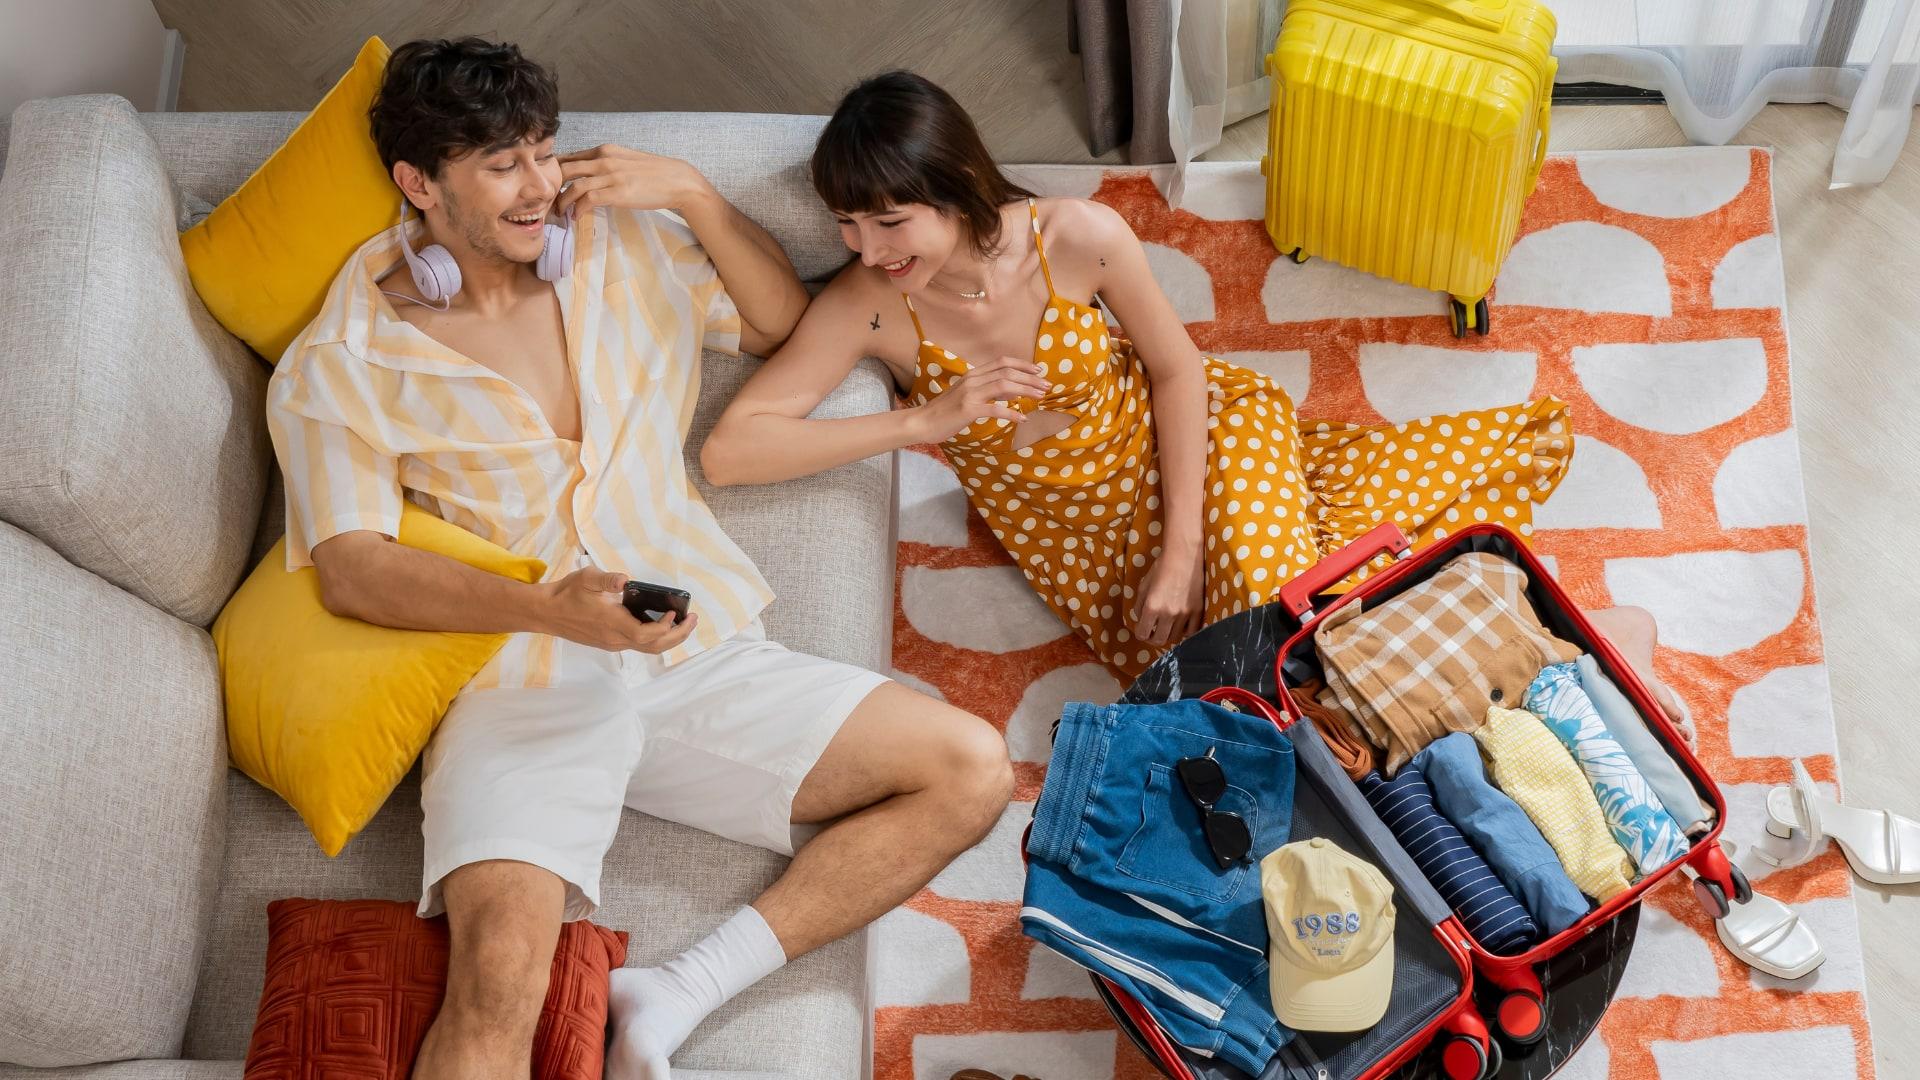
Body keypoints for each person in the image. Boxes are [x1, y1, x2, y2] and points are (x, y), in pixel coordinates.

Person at [264, 41, 1013, 1080]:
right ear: (419, 184)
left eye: (543, 151)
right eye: (501, 165)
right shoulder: (339, 361)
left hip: (689, 649)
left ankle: (679, 990)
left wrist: (697, 197)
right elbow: (350, 567)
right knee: (496, 987)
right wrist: (550, 609)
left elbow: (777, 323)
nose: (540, 187)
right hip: (516, 680)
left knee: (972, 768)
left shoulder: (617, 247)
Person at [704, 73, 1580, 676]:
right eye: (848, 223)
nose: (866, 248)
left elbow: (1176, 371)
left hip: (1199, 442)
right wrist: (918, 425)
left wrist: (1183, 553)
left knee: (1287, 617)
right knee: (1259, 670)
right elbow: (732, 452)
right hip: (1086, 546)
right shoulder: (869, 303)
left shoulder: (1077, 239)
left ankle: (1554, 659)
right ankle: (1552, 646)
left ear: (958, 186)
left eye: (889, 221)